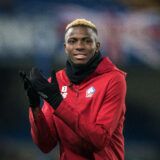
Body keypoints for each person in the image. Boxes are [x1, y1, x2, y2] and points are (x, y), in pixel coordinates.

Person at [20, 19, 127, 160]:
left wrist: (58, 103)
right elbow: (45, 145)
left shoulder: (113, 80)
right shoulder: (55, 83)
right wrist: (34, 108)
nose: (79, 46)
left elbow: (100, 139)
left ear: (97, 46)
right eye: (72, 41)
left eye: (87, 41)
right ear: (65, 47)